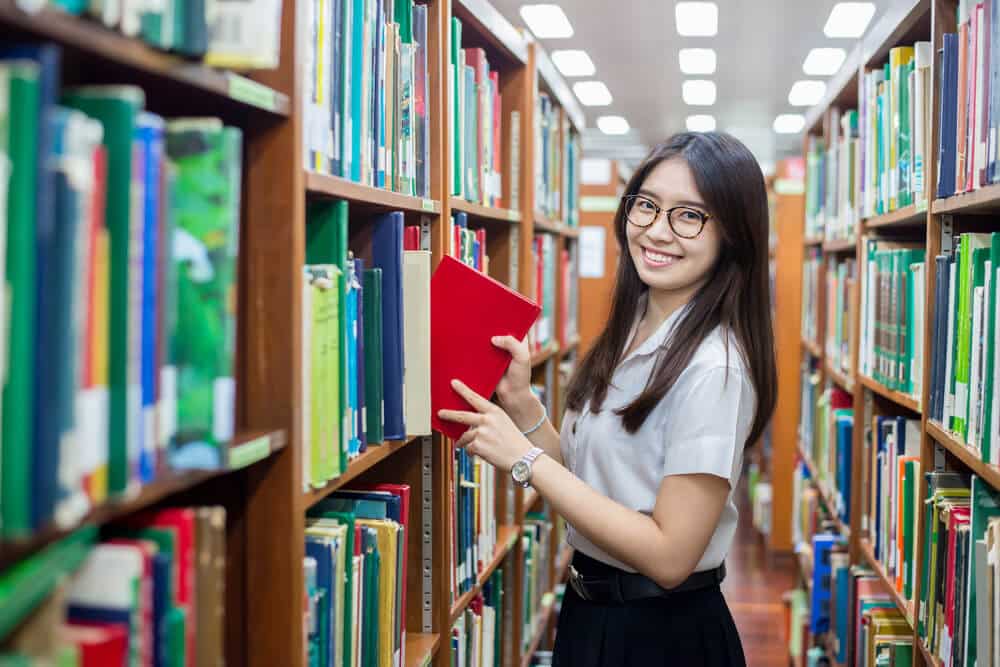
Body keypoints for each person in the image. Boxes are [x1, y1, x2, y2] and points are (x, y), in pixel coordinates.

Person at [438, 131, 777, 666]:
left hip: (661, 635)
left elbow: (670, 555)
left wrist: (523, 461)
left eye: (689, 216)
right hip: (589, 612)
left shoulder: (716, 368)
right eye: (646, 205)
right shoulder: (634, 326)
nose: (657, 231)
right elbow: (590, 484)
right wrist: (524, 405)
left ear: (733, 234)